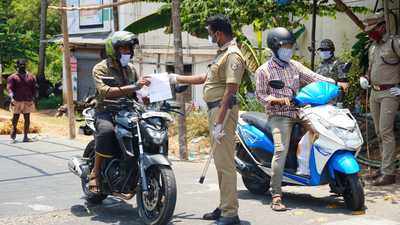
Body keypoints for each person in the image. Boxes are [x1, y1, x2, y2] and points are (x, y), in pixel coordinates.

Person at [255, 27, 348, 211]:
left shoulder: (295, 66)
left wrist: (337, 84)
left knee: (326, 133)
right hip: (279, 115)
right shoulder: (264, 70)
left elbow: (315, 77)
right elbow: (260, 96)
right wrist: (278, 99)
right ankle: (276, 194)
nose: (289, 49)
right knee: (280, 150)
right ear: (274, 47)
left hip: (300, 111)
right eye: (285, 46)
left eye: (290, 45)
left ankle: (332, 178)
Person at [169, 15, 245, 225]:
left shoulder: (233, 55)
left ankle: (230, 214)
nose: (210, 37)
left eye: (211, 33)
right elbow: (206, 78)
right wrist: (177, 78)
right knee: (220, 163)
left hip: (224, 112)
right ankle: (224, 206)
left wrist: (220, 123)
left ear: (219, 33)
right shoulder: (221, 54)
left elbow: (230, 92)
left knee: (226, 164)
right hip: (217, 111)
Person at [88, 31, 151, 193]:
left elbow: (137, 93)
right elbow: (104, 91)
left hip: (128, 111)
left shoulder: (131, 69)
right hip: (106, 111)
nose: (127, 53)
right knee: (107, 131)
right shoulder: (100, 68)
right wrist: (134, 87)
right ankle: (95, 172)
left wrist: (145, 97)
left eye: (129, 49)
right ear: (113, 50)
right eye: (123, 49)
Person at [361, 12, 400, 186]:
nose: (370, 33)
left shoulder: (394, 43)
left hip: (390, 93)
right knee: (378, 133)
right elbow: (372, 68)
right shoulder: (373, 47)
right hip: (375, 93)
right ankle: (384, 167)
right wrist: (366, 79)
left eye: (372, 29)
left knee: (385, 132)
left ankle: (389, 173)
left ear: (382, 26)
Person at [7, 59, 38, 142]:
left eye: (24, 65)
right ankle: (13, 129)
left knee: (27, 118)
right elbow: (9, 88)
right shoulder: (13, 77)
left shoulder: (31, 77)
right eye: (20, 65)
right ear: (17, 66)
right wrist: (11, 97)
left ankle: (25, 136)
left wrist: (35, 98)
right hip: (17, 100)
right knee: (15, 117)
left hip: (28, 100)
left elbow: (34, 89)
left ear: (26, 65)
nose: (22, 66)